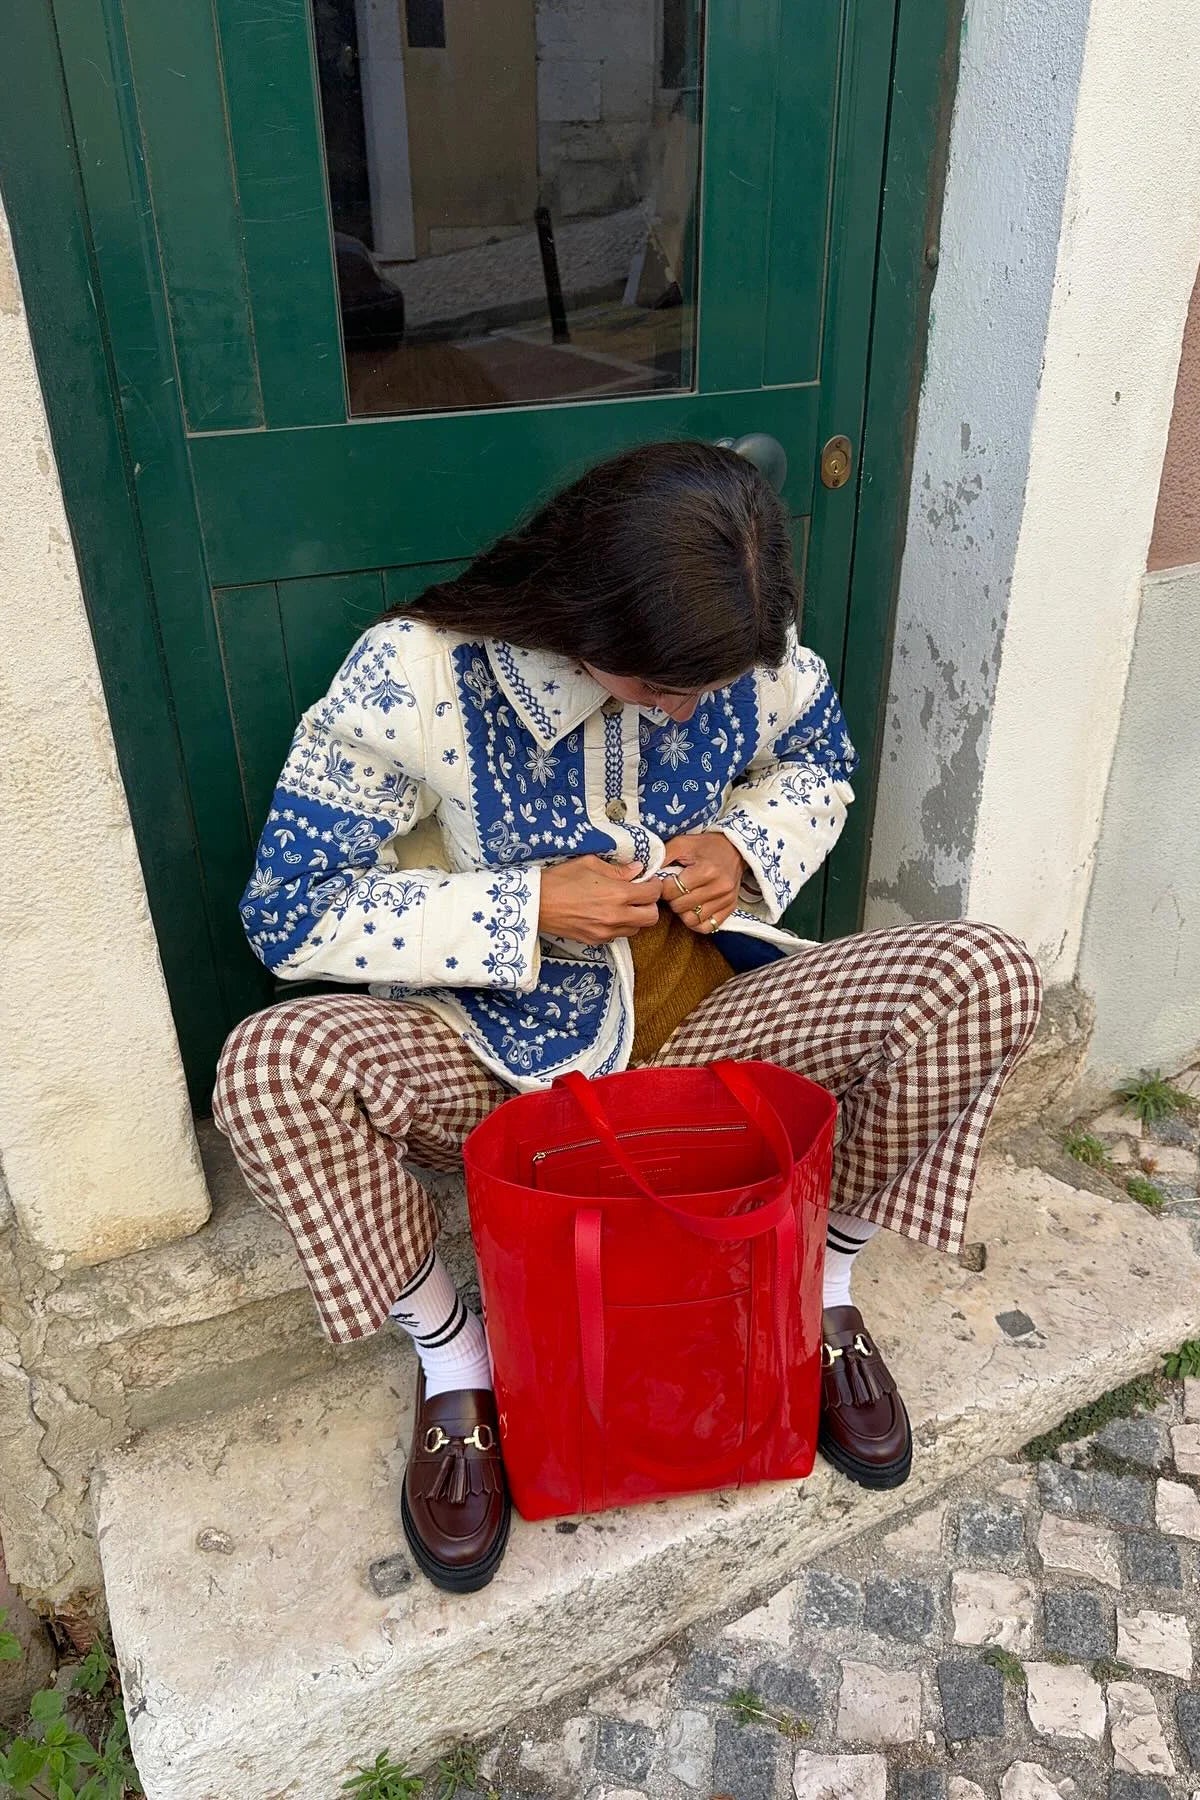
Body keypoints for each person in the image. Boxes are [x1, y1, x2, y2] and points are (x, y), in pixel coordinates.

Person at [213, 441, 1042, 1594]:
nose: (697, 708)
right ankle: (458, 1365)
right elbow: (288, 911)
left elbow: (821, 757)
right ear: (583, 613)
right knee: (269, 1067)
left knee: (988, 974)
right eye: (664, 690)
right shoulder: (414, 675)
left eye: (712, 686)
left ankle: (824, 1287)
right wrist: (522, 906)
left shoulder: (741, 648)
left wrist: (740, 850)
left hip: (710, 1041)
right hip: (492, 1064)